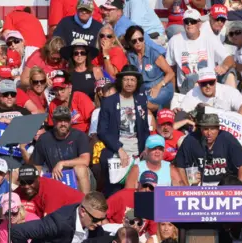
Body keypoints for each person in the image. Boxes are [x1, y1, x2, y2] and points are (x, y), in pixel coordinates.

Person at [97, 64, 149, 195]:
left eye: (132, 80)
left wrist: (146, 148)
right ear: (121, 81)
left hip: (138, 151)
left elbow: (145, 128)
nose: (129, 83)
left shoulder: (141, 100)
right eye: (126, 79)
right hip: (116, 152)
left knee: (138, 191)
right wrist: (119, 149)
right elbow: (102, 131)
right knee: (115, 193)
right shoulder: (109, 102)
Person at [10, 191, 107, 243]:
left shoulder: (96, 229)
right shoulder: (59, 221)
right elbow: (18, 231)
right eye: (95, 219)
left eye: (102, 219)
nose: (99, 224)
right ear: (83, 212)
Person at [165, 9, 234, 94]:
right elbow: (170, 69)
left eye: (193, 21)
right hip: (187, 86)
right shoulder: (174, 40)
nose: (189, 24)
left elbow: (229, 59)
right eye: (186, 21)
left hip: (209, 83)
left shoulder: (210, 38)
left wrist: (224, 66)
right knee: (193, 77)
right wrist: (174, 93)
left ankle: (231, 101)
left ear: (199, 23)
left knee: (231, 72)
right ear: (183, 23)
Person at [174, 114, 242, 186]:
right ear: (200, 129)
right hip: (199, 184)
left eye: (213, 129)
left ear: (218, 129)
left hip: (225, 184)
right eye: (205, 129)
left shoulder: (227, 138)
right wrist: (187, 189)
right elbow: (180, 166)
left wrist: (238, 188)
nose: (209, 133)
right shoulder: (191, 139)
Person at [31, 106, 93, 194]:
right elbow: (37, 167)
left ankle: (85, 202)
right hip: (57, 177)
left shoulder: (79, 136)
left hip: (79, 177)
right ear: (54, 121)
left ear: (70, 121)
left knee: (80, 168)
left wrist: (62, 163)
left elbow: (85, 160)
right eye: (59, 120)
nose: (63, 123)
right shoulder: (44, 139)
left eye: (66, 120)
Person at [124, 25, 175, 112]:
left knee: (141, 101)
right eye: (134, 41)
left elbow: (171, 73)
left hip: (162, 86)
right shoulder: (130, 56)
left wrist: (158, 86)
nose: (138, 42)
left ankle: (159, 113)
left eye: (140, 39)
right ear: (129, 42)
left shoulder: (153, 54)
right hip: (143, 89)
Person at [14, 164, 84, 218]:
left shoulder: (50, 191)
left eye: (30, 182)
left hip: (81, 213)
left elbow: (49, 225)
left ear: (38, 178)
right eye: (23, 183)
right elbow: (8, 200)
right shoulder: (22, 189)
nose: (26, 186)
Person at [178, 68, 242, 117]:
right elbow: (182, 115)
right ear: (199, 83)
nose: (208, 86)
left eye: (211, 82)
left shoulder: (228, 91)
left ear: (216, 81)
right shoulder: (192, 94)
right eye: (204, 83)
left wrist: (236, 122)